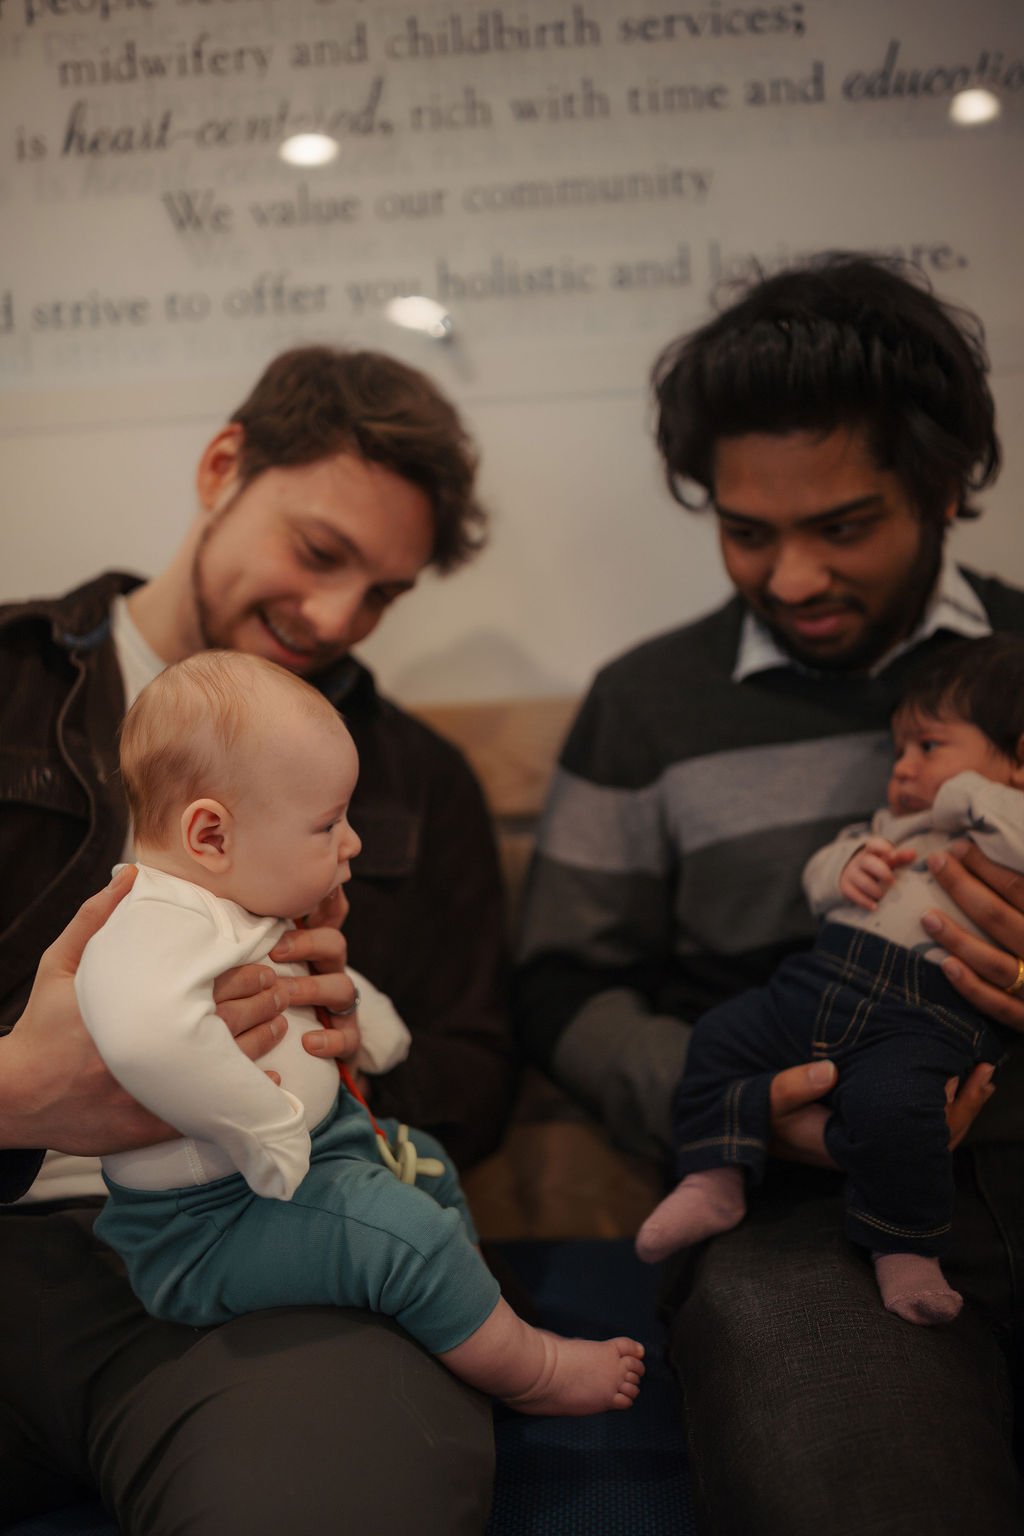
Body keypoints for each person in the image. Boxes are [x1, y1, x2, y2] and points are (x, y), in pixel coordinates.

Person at [515, 254, 1024, 1534]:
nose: (790, 578)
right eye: (748, 532)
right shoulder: (646, 705)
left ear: (943, 489)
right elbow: (562, 984)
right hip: (798, 1219)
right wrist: (744, 1107)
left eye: (842, 526)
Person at [0, 347, 516, 1535]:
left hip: (268, 1248)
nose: (334, 620)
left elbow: (479, 1074)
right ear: (222, 466)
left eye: (381, 594)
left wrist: (348, 1052)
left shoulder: (410, 778)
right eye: (319, 552)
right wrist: (18, 1093)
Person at [76, 650, 644, 1414]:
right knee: (406, 1235)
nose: (353, 843)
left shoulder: (239, 903)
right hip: (211, 1222)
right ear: (211, 835)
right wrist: (265, 1129)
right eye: (327, 824)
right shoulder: (148, 927)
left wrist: (374, 1028)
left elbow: (314, 979)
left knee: (429, 1168)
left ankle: (458, 1321)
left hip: (311, 1156)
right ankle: (532, 1372)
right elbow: (145, 1042)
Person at [636, 634, 1024, 1328]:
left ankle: (905, 1246)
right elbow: (820, 880)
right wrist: (845, 865)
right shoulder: (896, 826)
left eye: (927, 746)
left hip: (923, 1015)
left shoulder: (1000, 821)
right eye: (898, 750)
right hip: (820, 982)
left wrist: (969, 791)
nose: (902, 768)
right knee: (720, 1037)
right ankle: (714, 1174)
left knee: (897, 1104)